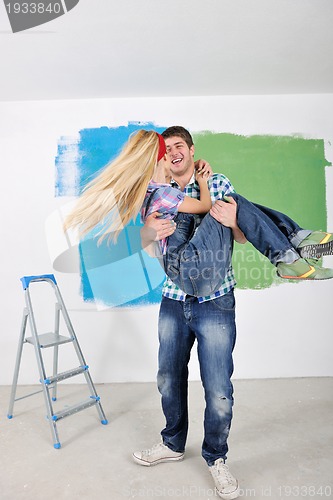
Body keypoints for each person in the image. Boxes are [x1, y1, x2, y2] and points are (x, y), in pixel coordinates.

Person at [64, 127, 332, 499]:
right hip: (177, 292)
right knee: (168, 378)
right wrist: (149, 230)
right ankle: (173, 444)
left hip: (214, 299)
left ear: (191, 151)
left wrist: (230, 216)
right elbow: (149, 242)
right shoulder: (157, 191)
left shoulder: (212, 181)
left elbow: (239, 235)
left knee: (219, 390)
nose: (172, 153)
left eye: (178, 147)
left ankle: (216, 458)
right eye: (166, 150)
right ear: (159, 161)